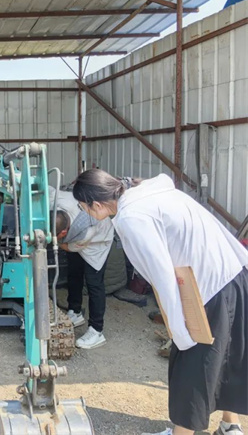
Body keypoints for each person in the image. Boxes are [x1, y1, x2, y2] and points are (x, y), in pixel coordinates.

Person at [73, 169, 248, 435]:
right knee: (229, 352)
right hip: (234, 273)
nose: (84, 212)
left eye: (82, 207)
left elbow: (163, 276)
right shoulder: (151, 192)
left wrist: (179, 331)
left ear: (96, 204)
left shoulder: (132, 217)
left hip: (210, 287)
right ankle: (230, 424)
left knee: (192, 367)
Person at [54, 190, 114, 349]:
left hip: (98, 242)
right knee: (74, 273)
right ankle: (75, 311)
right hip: (75, 240)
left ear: (64, 232)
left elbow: (68, 247)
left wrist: (55, 243)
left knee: (94, 284)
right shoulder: (61, 200)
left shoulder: (85, 232)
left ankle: (96, 331)